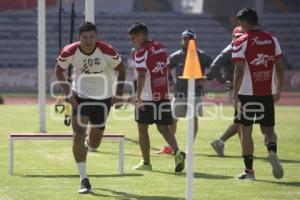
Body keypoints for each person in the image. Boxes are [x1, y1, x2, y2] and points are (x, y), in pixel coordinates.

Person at [55, 22, 126, 193]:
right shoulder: (70, 51)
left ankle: (87, 144)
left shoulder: (107, 50)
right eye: (85, 37)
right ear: (79, 37)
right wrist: (68, 94)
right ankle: (84, 180)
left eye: (92, 37)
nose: (88, 41)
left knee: (95, 142)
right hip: (80, 96)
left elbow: (122, 70)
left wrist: (118, 94)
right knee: (78, 134)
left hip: (104, 99)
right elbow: (59, 70)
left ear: (97, 36)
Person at [232, 8, 284, 179]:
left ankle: (249, 171)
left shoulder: (240, 42)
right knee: (269, 130)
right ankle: (271, 150)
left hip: (246, 94)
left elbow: (238, 71)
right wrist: (278, 89)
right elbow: (279, 67)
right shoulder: (272, 39)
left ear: (244, 23)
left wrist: (235, 94)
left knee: (246, 131)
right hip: (266, 93)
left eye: (240, 23)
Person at [128, 22, 186, 172]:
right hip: (162, 94)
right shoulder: (161, 47)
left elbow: (141, 75)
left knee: (142, 130)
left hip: (147, 96)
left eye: (134, 38)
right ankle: (178, 152)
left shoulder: (141, 52)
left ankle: (146, 163)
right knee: (164, 128)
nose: (133, 41)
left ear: (141, 35)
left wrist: (138, 96)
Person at [156, 29, 213, 154]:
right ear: (182, 40)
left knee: (193, 120)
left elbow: (214, 66)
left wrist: (206, 78)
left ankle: (189, 148)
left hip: (195, 94)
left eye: (190, 39)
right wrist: (171, 83)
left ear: (195, 40)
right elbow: (165, 68)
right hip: (179, 93)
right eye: (185, 39)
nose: (187, 41)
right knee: (172, 119)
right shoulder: (177, 55)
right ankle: (170, 146)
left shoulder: (202, 55)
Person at [207, 26, 244, 157]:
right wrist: (222, 80)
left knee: (241, 120)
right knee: (242, 120)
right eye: (238, 36)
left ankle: (244, 150)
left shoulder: (240, 49)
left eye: (242, 36)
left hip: (241, 89)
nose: (240, 38)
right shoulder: (229, 50)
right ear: (232, 37)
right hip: (235, 90)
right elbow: (214, 66)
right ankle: (220, 141)